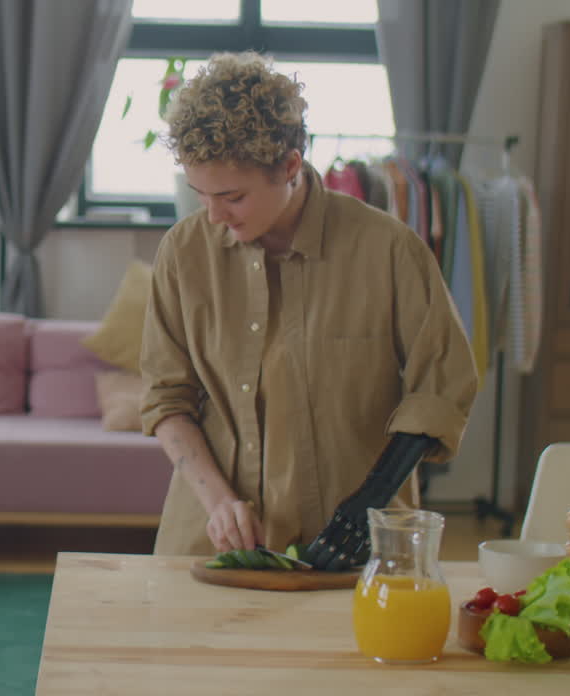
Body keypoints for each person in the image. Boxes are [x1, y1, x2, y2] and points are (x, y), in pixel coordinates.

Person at [139, 51, 478, 569]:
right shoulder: (183, 253)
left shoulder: (388, 250)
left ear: (291, 167)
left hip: (355, 549)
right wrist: (218, 501)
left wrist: (369, 505)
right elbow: (166, 399)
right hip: (211, 542)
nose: (212, 216)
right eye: (199, 194)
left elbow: (441, 389)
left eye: (231, 196)